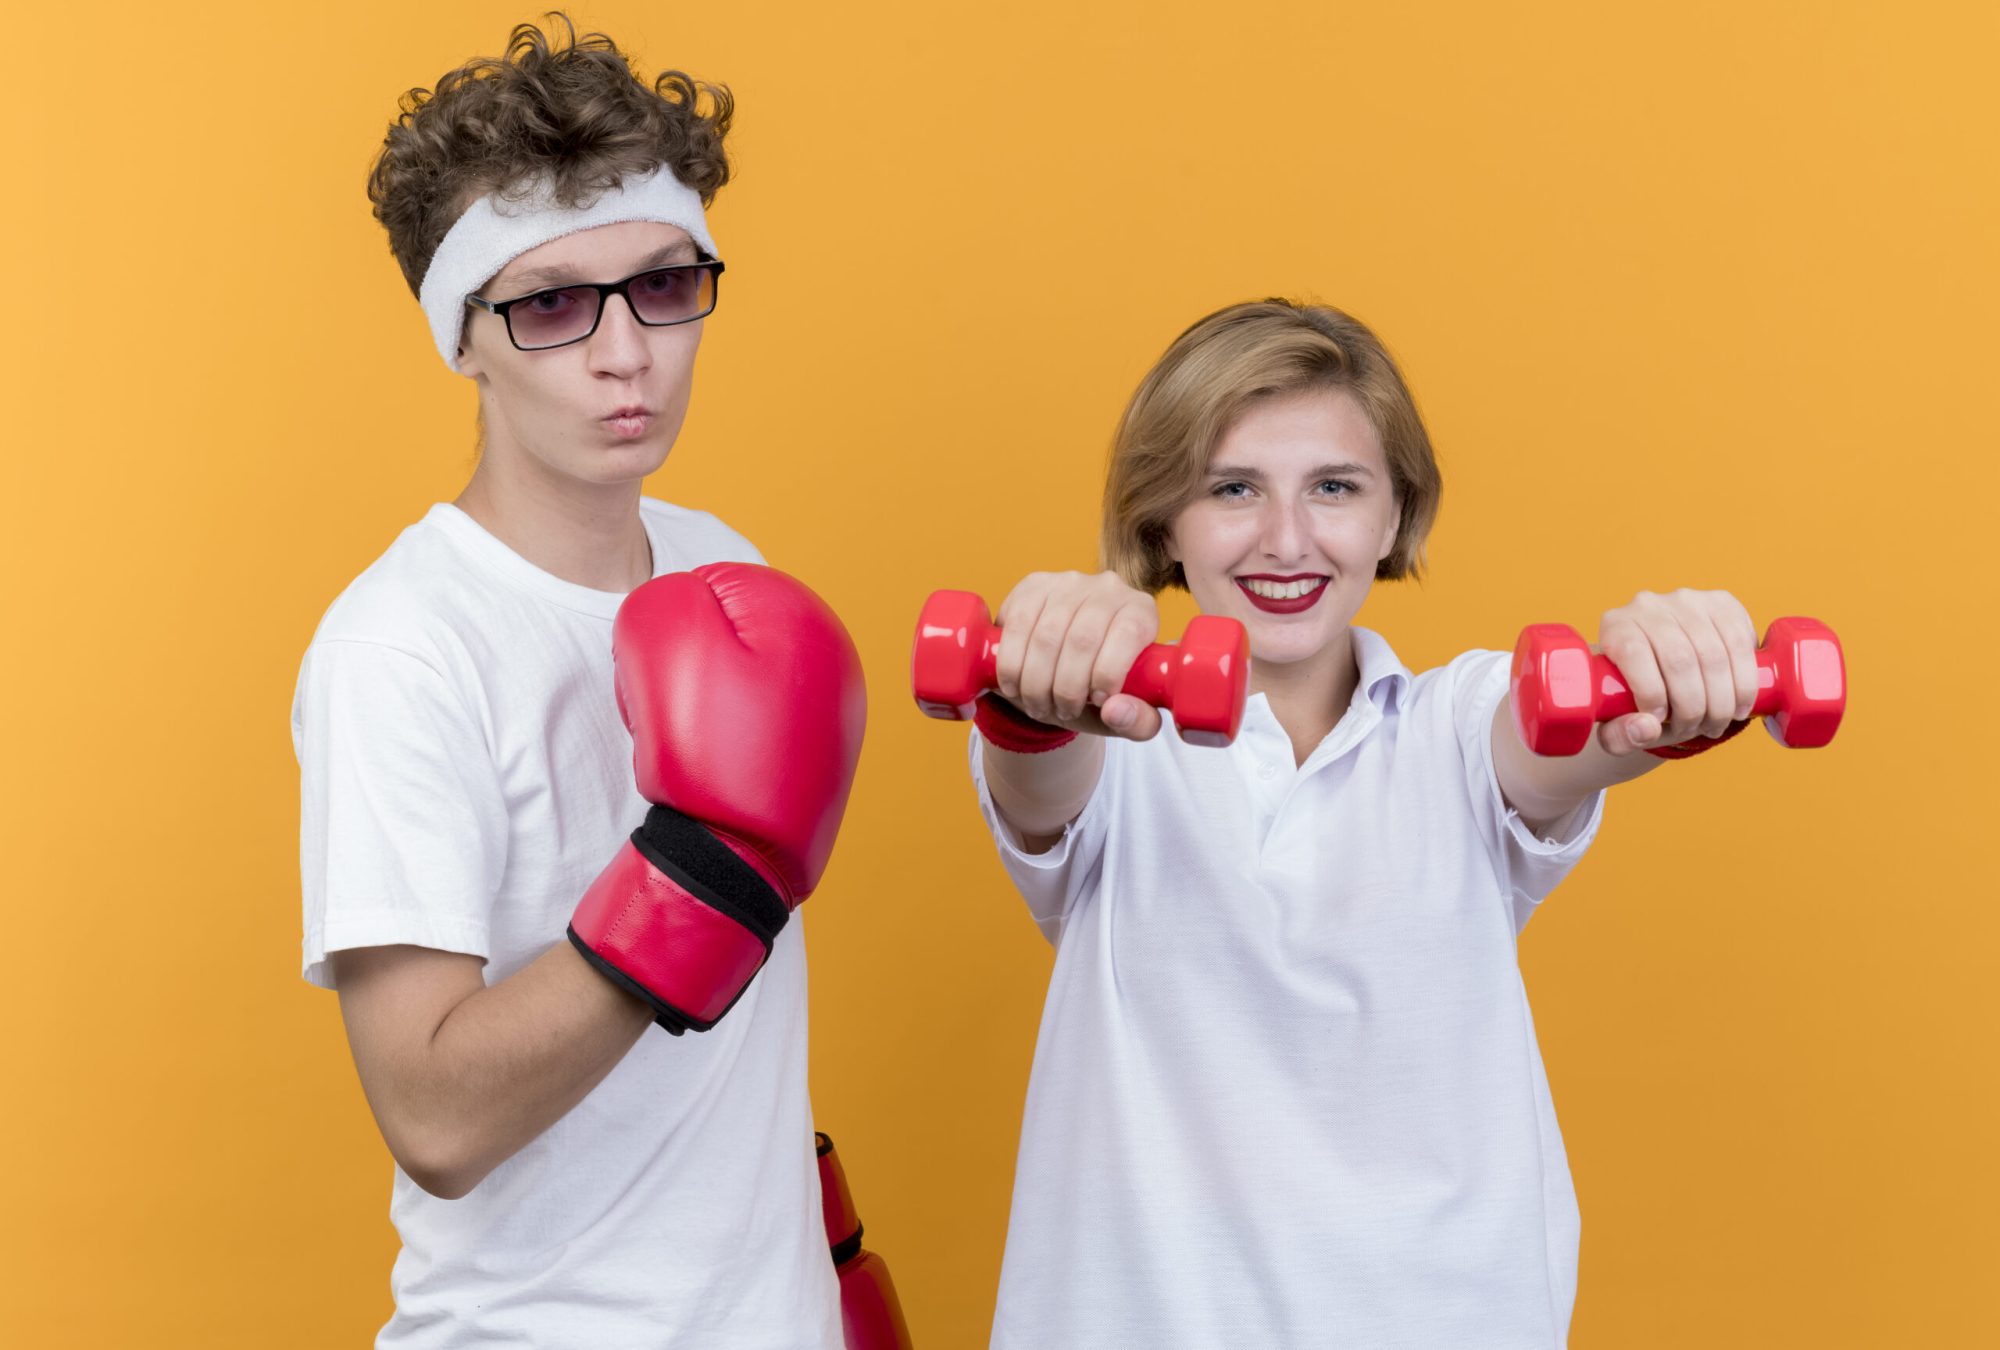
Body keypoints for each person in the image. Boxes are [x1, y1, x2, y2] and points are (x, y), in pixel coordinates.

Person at [965, 299, 1773, 1348]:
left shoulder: (1456, 728)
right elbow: (1036, 777)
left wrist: (1667, 681)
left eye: (1333, 488)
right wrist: (1044, 678)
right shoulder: (1114, 740)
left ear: (1393, 516)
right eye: (1232, 489)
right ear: (1165, 520)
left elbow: (1565, 736)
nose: (1286, 539)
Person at [291, 17, 855, 1347]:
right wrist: (711, 862)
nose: (626, 352)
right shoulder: (404, 645)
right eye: (551, 304)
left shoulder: (721, 561)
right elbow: (436, 1119)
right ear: (463, 337)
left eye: (665, 285)